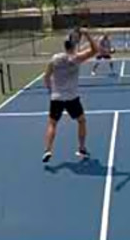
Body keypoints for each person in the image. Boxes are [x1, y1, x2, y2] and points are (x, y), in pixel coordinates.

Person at [42, 28, 98, 163]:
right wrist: (87, 34)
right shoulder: (76, 58)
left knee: (52, 124)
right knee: (81, 121)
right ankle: (82, 148)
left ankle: (48, 150)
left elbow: (46, 77)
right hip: (72, 98)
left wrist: (50, 90)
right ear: (74, 46)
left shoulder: (54, 59)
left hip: (56, 98)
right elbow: (95, 50)